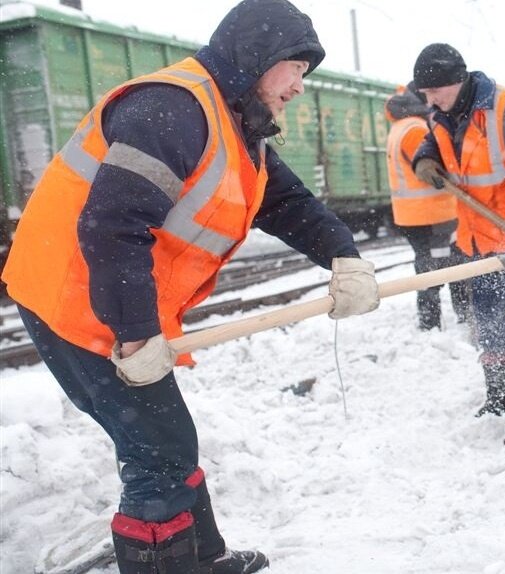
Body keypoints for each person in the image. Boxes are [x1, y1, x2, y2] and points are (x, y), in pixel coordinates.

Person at [0, 1, 380, 572]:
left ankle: (203, 558)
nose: (301, 87)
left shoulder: (235, 127)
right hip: (73, 298)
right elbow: (112, 225)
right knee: (158, 450)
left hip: (101, 295)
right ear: (261, 56)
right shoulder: (173, 109)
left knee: (164, 440)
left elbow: (288, 204)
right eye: (297, 69)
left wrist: (343, 257)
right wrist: (135, 334)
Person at [409, 43, 505, 446]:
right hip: (478, 243)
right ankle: (501, 394)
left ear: (457, 82)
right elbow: (437, 144)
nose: (429, 101)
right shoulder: (441, 115)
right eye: (425, 95)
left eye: (434, 92)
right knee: (491, 324)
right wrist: (425, 160)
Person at [384, 82, 470, 330]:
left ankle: (436, 321)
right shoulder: (414, 130)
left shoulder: (400, 127)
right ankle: (434, 322)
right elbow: (434, 171)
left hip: (415, 215)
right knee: (441, 267)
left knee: (436, 265)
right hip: (432, 215)